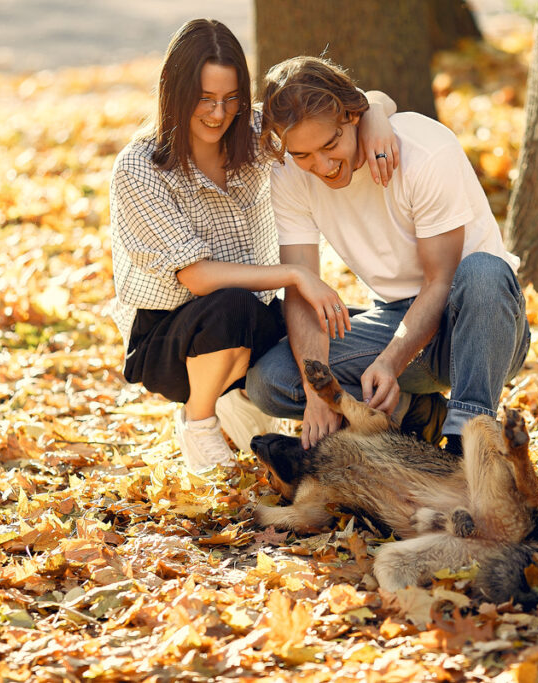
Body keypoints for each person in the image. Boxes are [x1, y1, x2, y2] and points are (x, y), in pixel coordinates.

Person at [108, 21, 398, 472]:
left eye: (231, 98)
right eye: (205, 98)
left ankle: (415, 416)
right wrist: (297, 274)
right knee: (233, 305)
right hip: (166, 340)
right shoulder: (139, 168)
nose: (218, 113)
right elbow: (197, 277)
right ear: (174, 92)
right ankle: (199, 420)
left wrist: (376, 117)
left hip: (253, 316)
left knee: (343, 337)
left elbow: (359, 101)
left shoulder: (258, 131)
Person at [246, 56, 530, 455]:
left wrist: (391, 361)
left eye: (330, 145)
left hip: (478, 322)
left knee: (485, 271)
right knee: (271, 380)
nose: (322, 166)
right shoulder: (289, 173)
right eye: (303, 154)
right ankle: (417, 414)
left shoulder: (424, 151)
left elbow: (440, 282)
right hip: (395, 318)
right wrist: (316, 391)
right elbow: (301, 292)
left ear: (353, 116)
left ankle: (467, 442)